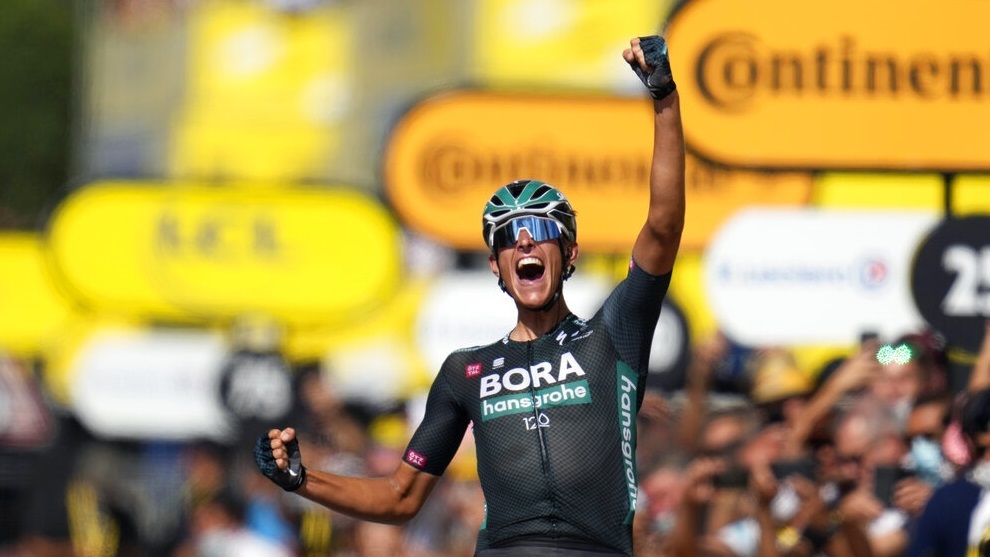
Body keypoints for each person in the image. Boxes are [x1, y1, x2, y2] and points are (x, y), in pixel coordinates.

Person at [253, 34, 685, 557]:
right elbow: (399, 496)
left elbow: (662, 227)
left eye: (539, 229)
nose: (523, 240)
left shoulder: (610, 337)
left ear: (569, 253)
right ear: (496, 266)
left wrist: (664, 99)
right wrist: (301, 479)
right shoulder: (466, 372)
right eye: (507, 236)